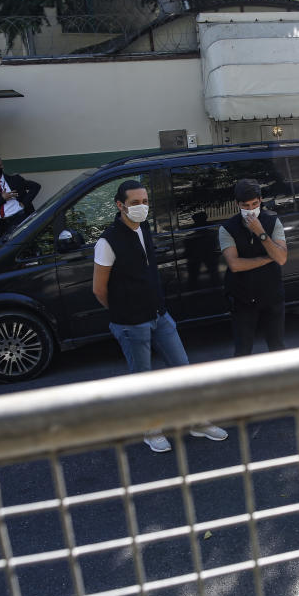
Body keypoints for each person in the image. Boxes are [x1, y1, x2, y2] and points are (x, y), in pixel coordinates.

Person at [92, 179, 228, 452]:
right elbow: (98, 289)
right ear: (120, 205)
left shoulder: (144, 229)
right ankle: (150, 430)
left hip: (160, 315)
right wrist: (123, 313)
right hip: (131, 323)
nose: (141, 207)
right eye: (134, 203)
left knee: (183, 369)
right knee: (144, 379)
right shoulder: (107, 242)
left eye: (144, 202)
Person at [219, 178, 288, 356]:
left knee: (277, 348)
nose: (250, 210)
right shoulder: (227, 228)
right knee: (243, 350)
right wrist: (267, 258)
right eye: (245, 206)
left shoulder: (272, 222)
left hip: (271, 296)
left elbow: (281, 258)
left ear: (260, 201)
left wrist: (261, 233)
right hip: (243, 299)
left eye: (254, 204)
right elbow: (234, 264)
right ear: (237, 204)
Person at [0, 155, 41, 239]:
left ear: (2, 166)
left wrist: (24, 203)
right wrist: (2, 198)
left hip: (20, 217)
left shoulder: (14, 179)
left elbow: (36, 186)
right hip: (3, 224)